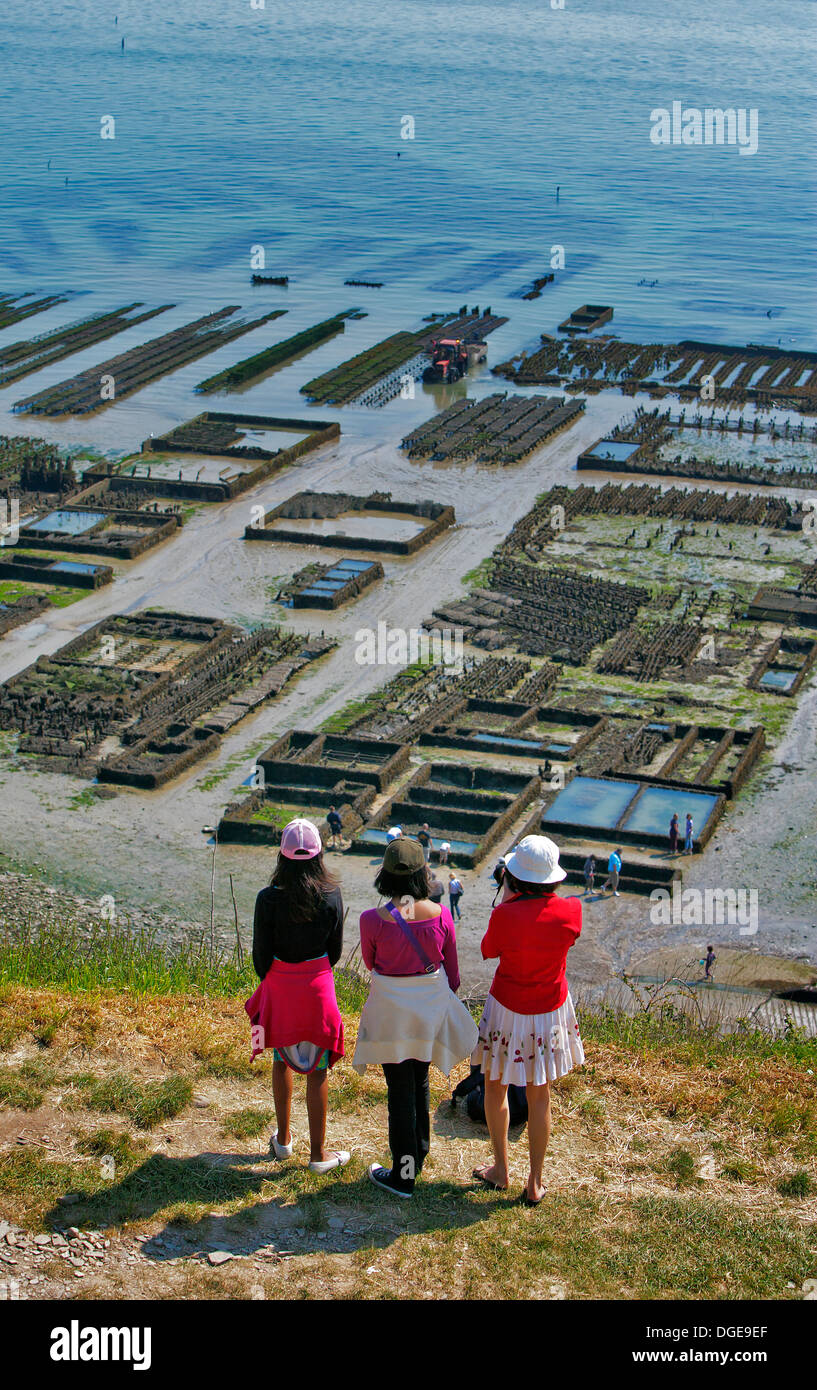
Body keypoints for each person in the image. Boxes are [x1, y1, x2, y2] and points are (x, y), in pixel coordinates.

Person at [353, 837, 477, 1198]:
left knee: (400, 1090)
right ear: (424, 873)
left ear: (385, 877)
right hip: (427, 1015)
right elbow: (452, 977)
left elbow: (373, 965)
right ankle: (418, 1154)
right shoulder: (442, 917)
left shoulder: (370, 921)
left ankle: (403, 1176)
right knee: (419, 1079)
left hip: (391, 1014)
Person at [471, 835, 583, 1206]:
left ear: (513, 878)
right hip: (550, 1010)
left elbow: (489, 951)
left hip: (508, 1008)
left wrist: (506, 900)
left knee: (495, 1087)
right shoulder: (572, 912)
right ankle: (534, 1182)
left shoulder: (504, 914)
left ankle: (501, 1169)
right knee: (540, 1095)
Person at [245, 819, 349, 1175]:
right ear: (319, 856)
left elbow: (260, 959)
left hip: (280, 988)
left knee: (281, 1059)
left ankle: (284, 1140)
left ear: (282, 857)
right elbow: (333, 953)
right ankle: (319, 1154)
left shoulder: (267, 899)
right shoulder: (332, 896)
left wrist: (281, 976)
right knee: (317, 1071)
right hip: (318, 989)